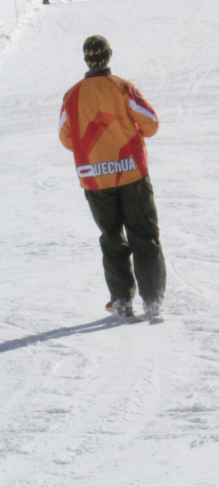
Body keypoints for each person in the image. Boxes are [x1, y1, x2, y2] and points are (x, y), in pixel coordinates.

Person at [58, 35, 166, 320]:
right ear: (108, 56)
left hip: (95, 178)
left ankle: (121, 300)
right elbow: (152, 125)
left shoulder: (72, 96)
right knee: (144, 233)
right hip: (131, 172)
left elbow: (66, 138)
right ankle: (153, 299)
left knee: (111, 237)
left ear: (87, 60)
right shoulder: (123, 87)